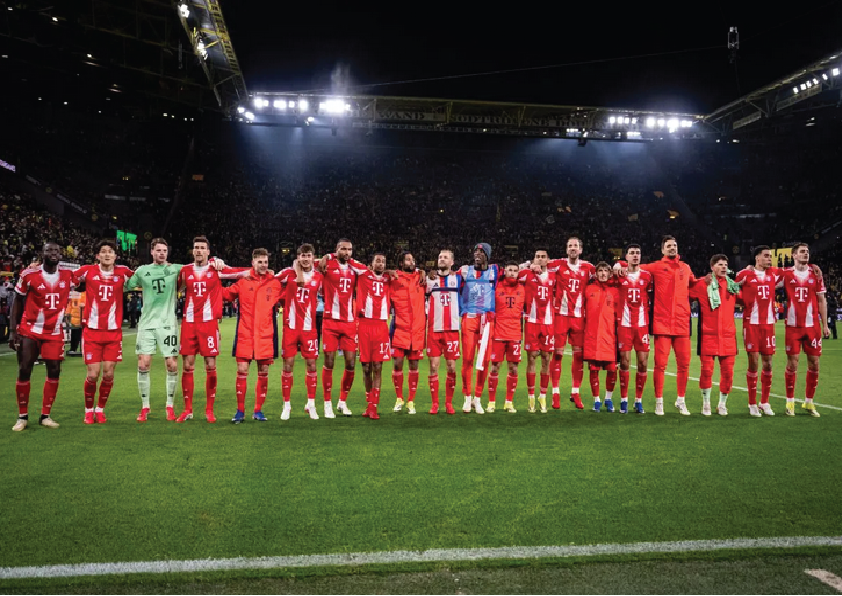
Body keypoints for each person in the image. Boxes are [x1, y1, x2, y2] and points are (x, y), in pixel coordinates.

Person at [176, 236, 247, 424]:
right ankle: (188, 409)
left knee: (210, 365)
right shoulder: (184, 271)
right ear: (193, 251)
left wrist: (260, 269)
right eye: (196, 247)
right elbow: (173, 288)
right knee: (188, 365)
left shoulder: (217, 269)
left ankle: (209, 409)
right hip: (189, 324)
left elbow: (240, 273)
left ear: (208, 251)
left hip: (208, 325)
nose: (199, 250)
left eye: (202, 248)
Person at [9, 242, 73, 431]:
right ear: (41, 254)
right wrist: (13, 331)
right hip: (30, 330)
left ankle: (45, 415)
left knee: (54, 370)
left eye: (56, 250)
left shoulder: (69, 276)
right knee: (25, 368)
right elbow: (17, 301)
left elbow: (93, 273)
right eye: (49, 250)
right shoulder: (29, 275)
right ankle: (22, 417)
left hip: (54, 331)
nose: (53, 253)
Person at [73, 240, 133, 424]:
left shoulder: (123, 273)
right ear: (97, 256)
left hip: (113, 333)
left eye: (111, 252)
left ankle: (100, 409)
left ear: (116, 256)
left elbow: (146, 275)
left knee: (108, 374)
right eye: (103, 252)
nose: (107, 255)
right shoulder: (87, 271)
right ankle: (88, 410)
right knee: (93, 374)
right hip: (92, 331)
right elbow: (65, 277)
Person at [222, 248, 283, 423]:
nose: (263, 265)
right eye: (260, 262)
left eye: (266, 262)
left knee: (263, 372)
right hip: (245, 334)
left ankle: (258, 410)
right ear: (253, 262)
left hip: (265, 335)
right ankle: (240, 411)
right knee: (242, 371)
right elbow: (225, 294)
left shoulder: (274, 283)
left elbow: (288, 294)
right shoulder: (243, 282)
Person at [640, 235, 697, 416]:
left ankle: (681, 400)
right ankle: (659, 402)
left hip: (681, 324)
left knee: (684, 364)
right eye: (669, 246)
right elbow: (636, 268)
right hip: (662, 324)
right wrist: (620, 265)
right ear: (663, 250)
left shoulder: (686, 268)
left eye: (674, 245)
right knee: (660, 365)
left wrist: (711, 281)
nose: (672, 248)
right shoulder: (656, 267)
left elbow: (695, 286)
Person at [318, 239, 369, 416]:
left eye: (349, 249)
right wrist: (327, 256)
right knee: (329, 362)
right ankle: (326, 403)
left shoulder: (355, 267)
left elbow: (368, 270)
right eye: (343, 249)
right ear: (336, 250)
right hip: (330, 321)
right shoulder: (327, 264)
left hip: (349, 322)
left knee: (350, 363)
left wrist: (332, 255)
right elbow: (302, 262)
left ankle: (342, 401)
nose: (346, 252)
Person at [689, 255, 741, 416]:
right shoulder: (703, 284)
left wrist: (748, 272)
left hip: (728, 336)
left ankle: (722, 404)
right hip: (708, 335)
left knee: (728, 373)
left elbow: (747, 298)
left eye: (726, 264)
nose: (724, 267)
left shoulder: (732, 287)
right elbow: (685, 291)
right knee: (707, 371)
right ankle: (706, 403)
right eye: (720, 264)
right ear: (712, 267)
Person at [276, 244, 323, 420]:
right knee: (288, 365)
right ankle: (286, 405)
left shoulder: (319, 276)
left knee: (311, 365)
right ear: (298, 257)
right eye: (302, 256)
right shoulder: (288, 274)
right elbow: (270, 279)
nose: (305, 258)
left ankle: (311, 404)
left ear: (313, 258)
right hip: (290, 328)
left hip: (309, 329)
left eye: (308, 255)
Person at [548, 237, 595, 410]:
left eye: (575, 246)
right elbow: (539, 262)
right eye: (570, 246)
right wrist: (531, 264)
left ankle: (575, 392)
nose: (573, 248)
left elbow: (606, 273)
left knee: (578, 356)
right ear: (566, 250)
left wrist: (619, 264)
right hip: (560, 316)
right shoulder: (558, 264)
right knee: (558, 355)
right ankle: (555, 393)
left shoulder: (588, 268)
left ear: (581, 250)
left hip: (579, 318)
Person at [781, 242, 828, 417]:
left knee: (814, 364)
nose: (806, 254)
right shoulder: (786, 274)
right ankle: (790, 402)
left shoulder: (816, 274)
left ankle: (809, 402)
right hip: (793, 327)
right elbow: (768, 280)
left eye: (807, 251)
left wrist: (825, 325)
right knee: (792, 364)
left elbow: (822, 300)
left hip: (813, 327)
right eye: (802, 251)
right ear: (794, 255)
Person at [735, 245, 783, 416]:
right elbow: (730, 288)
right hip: (751, 324)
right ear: (757, 258)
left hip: (769, 325)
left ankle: (765, 402)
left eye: (770, 256)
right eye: (766, 256)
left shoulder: (775, 274)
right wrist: (742, 301)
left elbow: (794, 272)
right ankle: (752, 403)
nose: (770, 258)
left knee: (768, 363)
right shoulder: (745, 274)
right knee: (754, 362)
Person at [458, 242, 499, 414]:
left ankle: (478, 398)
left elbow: (515, 271)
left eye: (482, 252)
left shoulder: (495, 271)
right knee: (467, 359)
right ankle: (467, 397)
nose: (477, 254)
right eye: (476, 251)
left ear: (487, 256)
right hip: (469, 318)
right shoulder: (464, 271)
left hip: (487, 320)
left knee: (483, 361)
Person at [616, 244, 653, 414]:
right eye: (632, 253)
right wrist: (617, 265)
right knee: (624, 362)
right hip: (624, 325)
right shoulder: (619, 274)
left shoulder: (647, 276)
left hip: (642, 326)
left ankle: (638, 400)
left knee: (643, 363)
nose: (635, 256)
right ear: (626, 257)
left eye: (638, 253)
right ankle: (624, 400)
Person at [484, 262, 525, 413]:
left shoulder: (523, 287)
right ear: (504, 271)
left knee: (513, 368)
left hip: (515, 334)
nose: (513, 273)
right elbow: (492, 268)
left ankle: (509, 402)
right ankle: (492, 402)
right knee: (495, 367)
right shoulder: (497, 286)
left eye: (515, 271)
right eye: (510, 270)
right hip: (499, 334)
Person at [389, 251, 426, 415]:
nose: (410, 261)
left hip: (417, 329)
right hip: (399, 327)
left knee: (414, 365)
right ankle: (399, 398)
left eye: (412, 259)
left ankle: (411, 400)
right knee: (397, 363)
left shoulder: (421, 277)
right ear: (401, 262)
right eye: (407, 259)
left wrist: (425, 272)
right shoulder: (394, 278)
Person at [426, 249, 462, 414]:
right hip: (434, 329)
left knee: (451, 367)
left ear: (452, 262)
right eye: (440, 257)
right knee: (433, 366)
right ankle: (435, 404)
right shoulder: (429, 279)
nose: (441, 259)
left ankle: (448, 403)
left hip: (452, 330)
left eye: (445, 257)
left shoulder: (458, 278)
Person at [520, 249, 556, 413]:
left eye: (543, 257)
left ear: (548, 260)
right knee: (532, 358)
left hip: (548, 322)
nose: (540, 259)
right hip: (532, 322)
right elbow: (509, 273)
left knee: (546, 358)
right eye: (537, 257)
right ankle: (531, 397)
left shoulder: (554, 275)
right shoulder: (527, 274)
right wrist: (528, 264)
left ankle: (542, 396)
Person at [357, 253, 392, 420]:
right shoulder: (363, 275)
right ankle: (368, 403)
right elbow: (347, 262)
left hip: (381, 326)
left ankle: (373, 407)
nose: (381, 264)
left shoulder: (389, 278)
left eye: (383, 261)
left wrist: (422, 272)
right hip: (364, 325)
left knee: (378, 366)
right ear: (370, 264)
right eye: (378, 261)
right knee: (366, 368)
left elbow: (409, 273)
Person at [583, 263, 620, 413]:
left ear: (610, 273)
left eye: (606, 271)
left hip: (610, 336)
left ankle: (608, 399)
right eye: (600, 271)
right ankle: (596, 400)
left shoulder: (616, 291)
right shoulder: (588, 289)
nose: (603, 273)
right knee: (594, 370)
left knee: (612, 370)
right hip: (592, 336)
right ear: (596, 273)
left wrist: (620, 265)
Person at [64, 289, 84, 356]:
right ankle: (73, 349)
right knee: (75, 334)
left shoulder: (89, 291)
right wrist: (67, 314)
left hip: (86, 317)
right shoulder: (73, 293)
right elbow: (69, 304)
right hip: (75, 318)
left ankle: (86, 350)